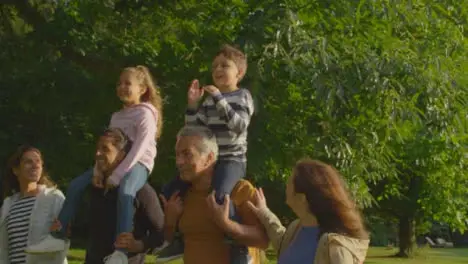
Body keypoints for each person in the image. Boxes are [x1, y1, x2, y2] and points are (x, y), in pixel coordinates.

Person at [27, 65, 163, 264]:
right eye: (119, 83)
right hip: (116, 166)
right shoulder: (116, 116)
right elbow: (107, 148)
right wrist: (99, 171)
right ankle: (58, 235)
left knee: (126, 192)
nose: (122, 87)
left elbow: (140, 148)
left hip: (138, 163)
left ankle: (121, 252)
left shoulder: (146, 114)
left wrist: (118, 175)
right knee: (75, 185)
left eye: (128, 83)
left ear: (142, 89)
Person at [159, 44, 254, 261]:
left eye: (224, 65)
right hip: (209, 160)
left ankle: (238, 245)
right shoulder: (210, 100)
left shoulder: (242, 96)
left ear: (239, 73)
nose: (218, 70)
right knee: (170, 190)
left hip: (232, 159)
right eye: (214, 67)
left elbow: (239, 126)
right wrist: (193, 104)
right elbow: (194, 130)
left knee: (220, 195)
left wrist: (220, 100)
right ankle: (179, 240)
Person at [159, 125, 268, 264]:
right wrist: (170, 221)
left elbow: (263, 240)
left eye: (187, 154)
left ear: (209, 158)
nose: (179, 162)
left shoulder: (240, 190)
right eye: (177, 154)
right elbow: (167, 240)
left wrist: (227, 224)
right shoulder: (181, 196)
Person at [247, 159, 370, 264]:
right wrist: (264, 211)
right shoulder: (297, 227)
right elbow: (283, 245)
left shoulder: (335, 246)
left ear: (302, 198)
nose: (286, 185)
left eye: (290, 182)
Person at [82, 128, 165, 264]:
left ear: (121, 155)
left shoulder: (139, 190)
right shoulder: (96, 187)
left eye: (105, 149)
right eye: (97, 149)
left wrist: (139, 245)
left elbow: (161, 232)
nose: (98, 154)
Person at [0, 145, 69, 264]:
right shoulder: (8, 204)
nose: (35, 165)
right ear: (16, 170)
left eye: (38, 161)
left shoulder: (53, 197)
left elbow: (65, 235)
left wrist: (61, 229)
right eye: (28, 162)